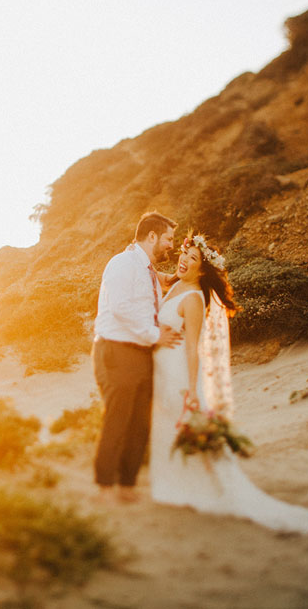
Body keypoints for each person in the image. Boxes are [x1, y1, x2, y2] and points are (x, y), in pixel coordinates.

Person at [150, 234, 308, 533]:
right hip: (161, 370)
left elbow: (192, 347)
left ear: (204, 270)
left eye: (192, 259)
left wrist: (191, 388)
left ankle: (214, 489)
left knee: (183, 423)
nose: (184, 260)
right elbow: (153, 282)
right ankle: (177, 484)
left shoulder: (193, 298)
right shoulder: (175, 285)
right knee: (165, 427)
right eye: (184, 254)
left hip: (178, 372)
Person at [92, 211, 182, 504]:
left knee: (140, 422)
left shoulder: (147, 269)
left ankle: (126, 485)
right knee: (119, 418)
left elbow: (153, 292)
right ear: (152, 236)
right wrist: (155, 335)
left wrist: (176, 278)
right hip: (117, 349)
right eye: (168, 238)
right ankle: (105, 485)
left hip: (141, 352)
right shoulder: (122, 263)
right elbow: (120, 307)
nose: (171, 244)